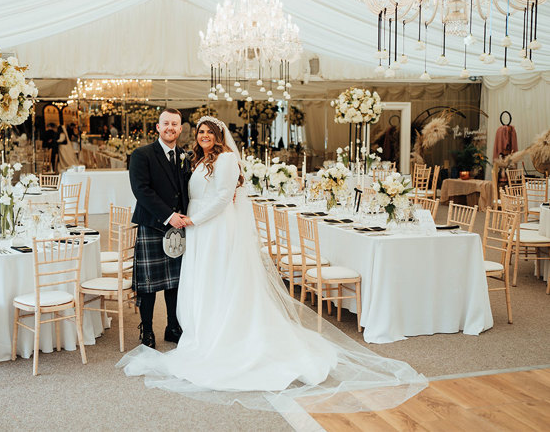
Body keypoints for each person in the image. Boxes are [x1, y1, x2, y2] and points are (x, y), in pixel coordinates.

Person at [118, 115, 426, 414]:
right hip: (197, 230)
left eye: (209, 132)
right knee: (199, 279)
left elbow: (224, 196)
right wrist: (187, 219)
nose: (204, 136)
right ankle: (194, 328)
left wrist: (193, 219)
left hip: (211, 226)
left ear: (219, 135)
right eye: (201, 132)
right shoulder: (195, 159)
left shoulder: (225, 160)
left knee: (219, 279)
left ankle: (217, 333)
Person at [128, 108, 190, 348]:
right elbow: (141, 190)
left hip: (179, 228)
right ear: (157, 127)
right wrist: (168, 215)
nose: (170, 128)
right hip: (153, 224)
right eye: (166, 123)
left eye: (175, 123)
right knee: (148, 284)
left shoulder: (185, 155)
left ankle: (172, 326)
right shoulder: (142, 154)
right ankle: (147, 331)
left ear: (181, 128)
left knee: (175, 282)